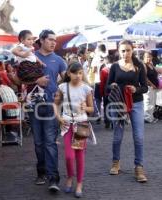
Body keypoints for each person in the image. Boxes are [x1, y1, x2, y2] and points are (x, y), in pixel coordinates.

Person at [26, 29, 67, 192]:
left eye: (55, 41)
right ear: (41, 40)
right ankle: (41, 171)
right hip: (34, 105)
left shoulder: (59, 60)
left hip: (51, 105)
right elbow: (17, 78)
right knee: (38, 142)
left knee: (50, 141)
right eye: (50, 40)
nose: (53, 43)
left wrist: (61, 90)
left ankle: (53, 178)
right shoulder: (29, 56)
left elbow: (66, 78)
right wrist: (36, 80)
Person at [107, 40, 148, 182]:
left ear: (132, 50)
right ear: (119, 51)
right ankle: (115, 162)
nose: (125, 53)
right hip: (118, 104)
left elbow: (145, 87)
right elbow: (107, 87)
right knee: (117, 136)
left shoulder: (139, 66)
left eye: (128, 50)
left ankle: (139, 167)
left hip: (136, 103)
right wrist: (112, 86)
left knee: (139, 137)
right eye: (123, 51)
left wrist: (136, 89)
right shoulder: (114, 66)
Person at [54, 62, 94, 198]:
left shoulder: (86, 89)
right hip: (67, 125)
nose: (78, 76)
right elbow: (55, 104)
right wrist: (58, 117)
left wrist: (86, 108)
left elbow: (92, 109)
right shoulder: (62, 87)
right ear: (68, 74)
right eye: (75, 73)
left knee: (79, 155)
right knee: (69, 156)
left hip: (80, 125)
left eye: (80, 73)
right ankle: (70, 177)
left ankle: (79, 183)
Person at [12, 30, 45, 109]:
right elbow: (15, 51)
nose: (31, 41)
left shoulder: (29, 48)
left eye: (32, 39)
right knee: (31, 83)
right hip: (26, 66)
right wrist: (28, 51)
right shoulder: (21, 46)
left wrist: (41, 62)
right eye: (28, 39)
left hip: (33, 65)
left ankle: (40, 96)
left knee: (41, 78)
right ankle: (28, 101)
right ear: (22, 40)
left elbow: (34, 56)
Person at [143, 51, 159, 123]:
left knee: (152, 102)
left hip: (154, 87)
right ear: (144, 58)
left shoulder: (151, 65)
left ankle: (151, 117)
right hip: (148, 87)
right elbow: (145, 77)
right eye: (147, 57)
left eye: (150, 57)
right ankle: (147, 118)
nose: (148, 58)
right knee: (148, 102)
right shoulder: (144, 66)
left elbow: (156, 73)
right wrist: (152, 84)